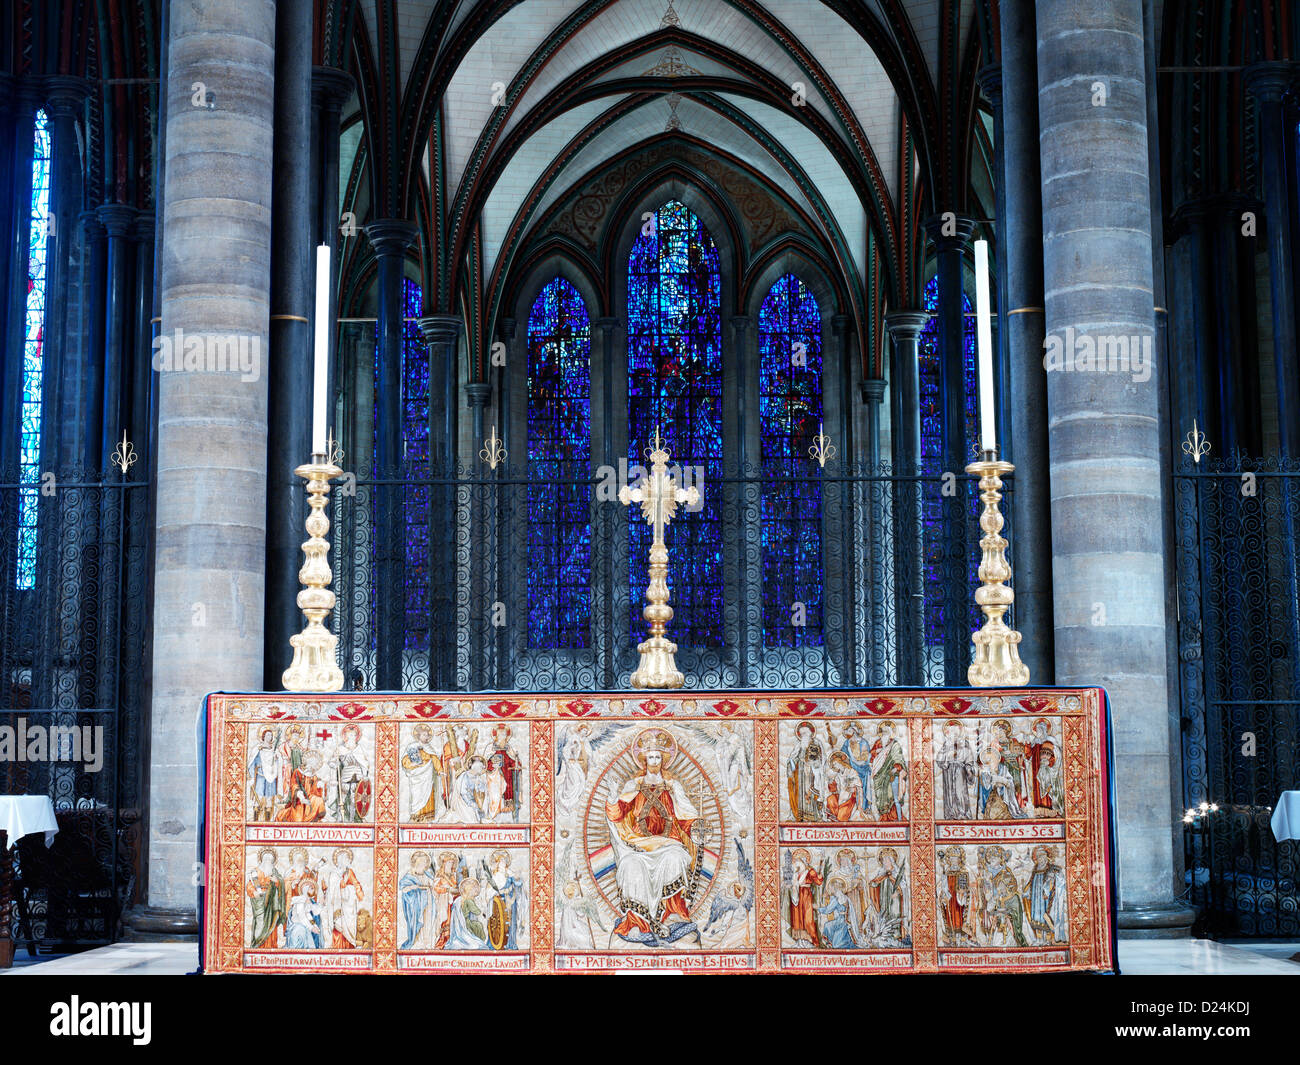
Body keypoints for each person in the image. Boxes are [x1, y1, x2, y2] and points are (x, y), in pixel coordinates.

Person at [604, 729, 704, 944]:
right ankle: (637, 922)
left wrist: (697, 826)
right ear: (644, 760)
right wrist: (613, 794)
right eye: (651, 756)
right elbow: (617, 812)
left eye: (658, 756)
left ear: (664, 760)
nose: (654, 760)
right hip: (638, 844)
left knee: (676, 859)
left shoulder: (673, 786)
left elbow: (686, 813)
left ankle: (672, 915)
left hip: (670, 843)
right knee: (630, 865)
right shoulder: (634, 786)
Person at [245, 848, 286, 949]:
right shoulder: (255, 872)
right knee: (260, 926)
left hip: (272, 905)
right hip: (259, 902)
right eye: (266, 859)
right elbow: (250, 885)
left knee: (271, 925)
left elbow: (281, 883)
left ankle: (271, 946)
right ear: (262, 860)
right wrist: (254, 892)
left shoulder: (274, 872)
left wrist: (277, 881)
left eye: (270, 860)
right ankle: (257, 946)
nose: (268, 861)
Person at [401, 723, 442, 822]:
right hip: (416, 776)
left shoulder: (429, 748)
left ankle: (428, 817)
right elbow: (405, 761)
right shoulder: (412, 746)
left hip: (428, 776)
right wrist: (414, 764)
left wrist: (440, 770)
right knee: (416, 795)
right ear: (418, 735)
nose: (426, 736)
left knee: (428, 794)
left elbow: (435, 759)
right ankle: (416, 817)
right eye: (424, 734)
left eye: (427, 735)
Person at [1027, 845, 1068, 944]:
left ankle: (1049, 940)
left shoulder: (1052, 868)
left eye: (1042, 855)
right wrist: (1028, 892)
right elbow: (1031, 881)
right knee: (1037, 918)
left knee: (1048, 917)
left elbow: (1057, 880)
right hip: (1036, 897)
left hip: (1046, 897)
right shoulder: (1035, 868)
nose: (1040, 858)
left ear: (1047, 856)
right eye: (1038, 856)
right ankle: (1039, 939)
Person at [399, 851, 439, 950]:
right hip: (416, 905)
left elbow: (434, 886)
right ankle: (417, 942)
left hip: (428, 902)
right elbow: (403, 889)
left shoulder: (427, 875)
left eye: (424, 863)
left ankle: (427, 942)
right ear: (415, 863)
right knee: (419, 923)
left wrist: (433, 888)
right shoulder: (410, 876)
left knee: (428, 922)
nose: (423, 865)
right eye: (420, 863)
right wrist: (414, 887)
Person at [786, 721, 825, 821]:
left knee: (812, 791)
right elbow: (792, 757)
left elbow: (821, 759)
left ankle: (814, 814)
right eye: (801, 734)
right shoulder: (799, 745)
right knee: (800, 793)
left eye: (805, 733)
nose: (804, 735)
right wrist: (791, 764)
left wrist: (814, 764)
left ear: (810, 733)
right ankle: (800, 815)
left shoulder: (816, 743)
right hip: (800, 773)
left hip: (813, 772)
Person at [936, 720, 975, 820]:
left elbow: (969, 759)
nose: (954, 734)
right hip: (948, 771)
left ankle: (963, 813)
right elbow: (939, 759)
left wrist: (969, 770)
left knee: (960, 792)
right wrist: (947, 756)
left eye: (956, 732)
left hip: (960, 771)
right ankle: (951, 814)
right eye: (951, 732)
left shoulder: (964, 743)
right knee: (949, 792)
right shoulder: (946, 745)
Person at [787, 848, 821, 947]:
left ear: (803, 861)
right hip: (796, 896)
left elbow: (818, 882)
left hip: (805, 896)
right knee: (797, 918)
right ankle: (800, 941)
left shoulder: (810, 871)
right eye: (795, 861)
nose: (795, 863)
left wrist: (820, 876)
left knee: (807, 919)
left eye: (797, 861)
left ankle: (811, 940)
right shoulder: (796, 873)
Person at [446, 877, 489, 949]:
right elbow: (476, 911)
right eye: (474, 890)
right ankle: (480, 940)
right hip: (466, 923)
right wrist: (483, 912)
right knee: (478, 925)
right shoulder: (469, 901)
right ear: (470, 891)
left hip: (461, 923)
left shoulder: (459, 899)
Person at [248, 729, 280, 821]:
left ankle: (267, 821)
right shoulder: (258, 749)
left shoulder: (274, 750)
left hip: (271, 777)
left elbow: (278, 763)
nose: (269, 737)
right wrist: (250, 775)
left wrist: (277, 758)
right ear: (263, 736)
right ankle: (255, 819)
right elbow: (252, 762)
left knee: (269, 799)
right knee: (258, 797)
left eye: (271, 735)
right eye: (267, 735)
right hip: (260, 776)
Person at [817, 877, 857, 948]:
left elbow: (828, 910)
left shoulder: (836, 899)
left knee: (827, 926)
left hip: (840, 921)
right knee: (829, 926)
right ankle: (832, 943)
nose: (830, 890)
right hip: (844, 921)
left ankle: (830, 943)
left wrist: (818, 909)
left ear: (835, 888)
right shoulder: (845, 897)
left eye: (831, 888)